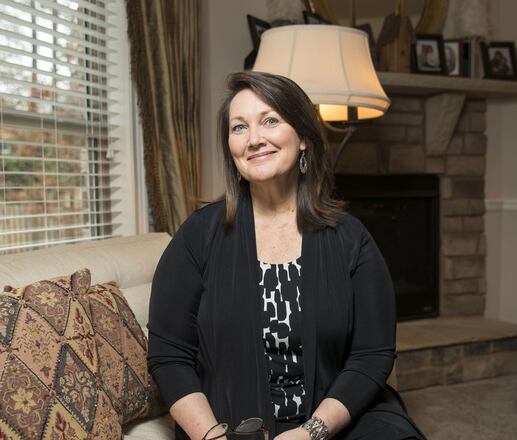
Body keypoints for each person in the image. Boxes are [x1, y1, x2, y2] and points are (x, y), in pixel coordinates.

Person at [148, 71, 427, 440]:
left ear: (304, 140)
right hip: (232, 427)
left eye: (270, 121)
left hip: (335, 420)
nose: (254, 139)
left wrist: (312, 431)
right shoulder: (199, 235)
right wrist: (212, 435)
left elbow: (372, 355)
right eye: (239, 127)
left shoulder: (350, 239)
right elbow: (170, 356)